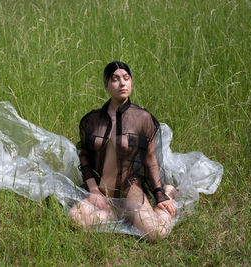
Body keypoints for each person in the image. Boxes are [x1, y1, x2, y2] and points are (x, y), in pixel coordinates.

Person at [69, 61, 178, 241]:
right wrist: (94, 190)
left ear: (131, 83)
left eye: (126, 79)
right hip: (100, 188)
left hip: (129, 188)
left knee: (156, 233)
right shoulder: (92, 119)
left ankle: (169, 192)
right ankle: (119, 213)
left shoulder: (142, 118)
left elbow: (150, 159)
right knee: (75, 219)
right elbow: (85, 156)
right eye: (115, 79)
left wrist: (160, 194)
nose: (122, 83)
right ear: (106, 86)